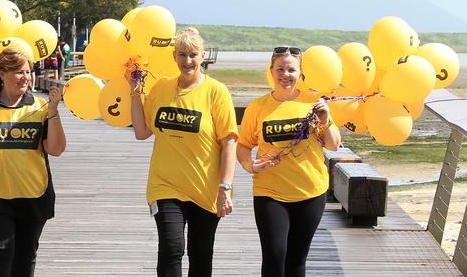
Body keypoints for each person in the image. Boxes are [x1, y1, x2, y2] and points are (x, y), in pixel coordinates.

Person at [128, 27, 238, 276]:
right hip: (165, 185)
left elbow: (229, 142)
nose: (187, 61)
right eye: (182, 55)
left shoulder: (216, 92)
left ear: (202, 56)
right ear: (174, 56)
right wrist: (135, 92)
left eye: (193, 55)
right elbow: (142, 131)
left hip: (205, 188)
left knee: (200, 254)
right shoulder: (161, 88)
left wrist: (225, 187)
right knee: (171, 248)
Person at [236, 46, 341, 277]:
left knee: (296, 261)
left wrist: (326, 119)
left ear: (300, 72)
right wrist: (250, 165)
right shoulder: (258, 107)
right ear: (271, 71)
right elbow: (243, 145)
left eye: (291, 69)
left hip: (310, 192)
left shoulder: (314, 104)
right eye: (280, 69)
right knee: (274, 255)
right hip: (269, 192)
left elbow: (333, 145)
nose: (286, 74)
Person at [0, 48, 66, 276]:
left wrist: (54, 111)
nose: (25, 77)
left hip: (33, 195)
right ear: (2, 73)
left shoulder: (40, 107)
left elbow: (55, 149)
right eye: (19, 72)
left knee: (25, 259)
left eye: (28, 72)